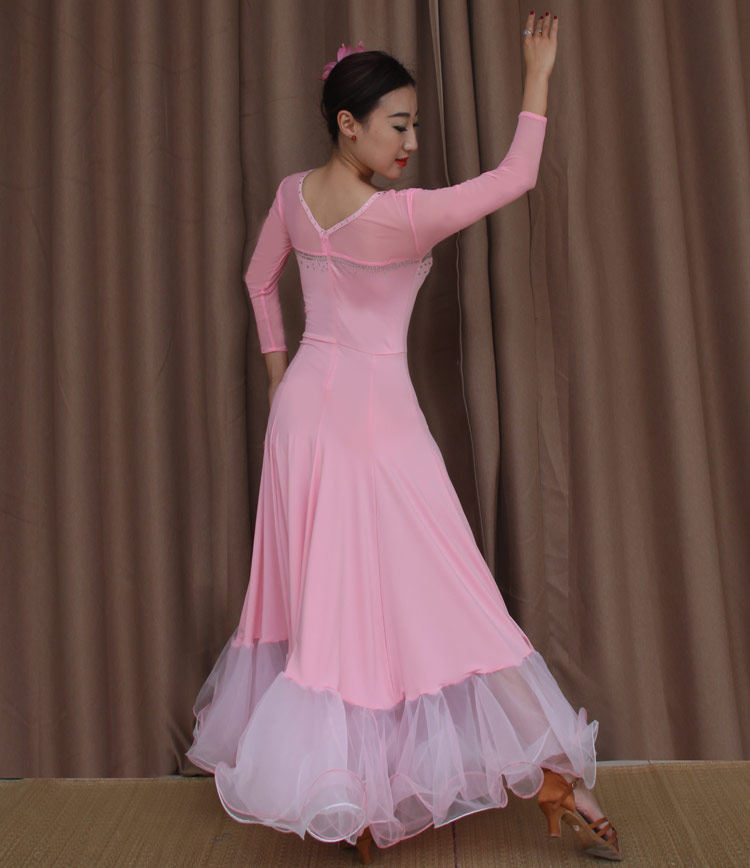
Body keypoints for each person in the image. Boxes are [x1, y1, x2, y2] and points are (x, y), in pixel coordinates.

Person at [186, 10, 623, 864]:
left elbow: (257, 279)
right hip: (377, 428)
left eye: (414, 124)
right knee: (449, 601)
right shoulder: (403, 218)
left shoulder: (292, 195)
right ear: (348, 124)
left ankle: (355, 801)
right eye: (399, 125)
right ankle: (553, 778)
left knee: (333, 613)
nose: (413, 142)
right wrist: (537, 76)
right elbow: (517, 175)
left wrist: (278, 374)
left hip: (302, 422)